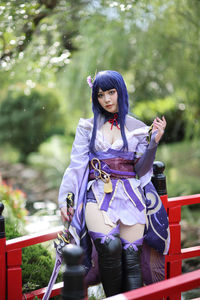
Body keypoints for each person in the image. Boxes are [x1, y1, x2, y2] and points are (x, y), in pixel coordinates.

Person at [58, 70, 170, 297]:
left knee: (131, 259)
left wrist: (153, 143)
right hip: (98, 193)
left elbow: (141, 170)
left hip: (130, 195)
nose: (107, 99)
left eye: (111, 92)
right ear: (95, 98)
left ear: (120, 91)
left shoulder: (138, 127)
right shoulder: (87, 127)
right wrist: (66, 199)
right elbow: (77, 166)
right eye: (101, 95)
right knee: (109, 249)